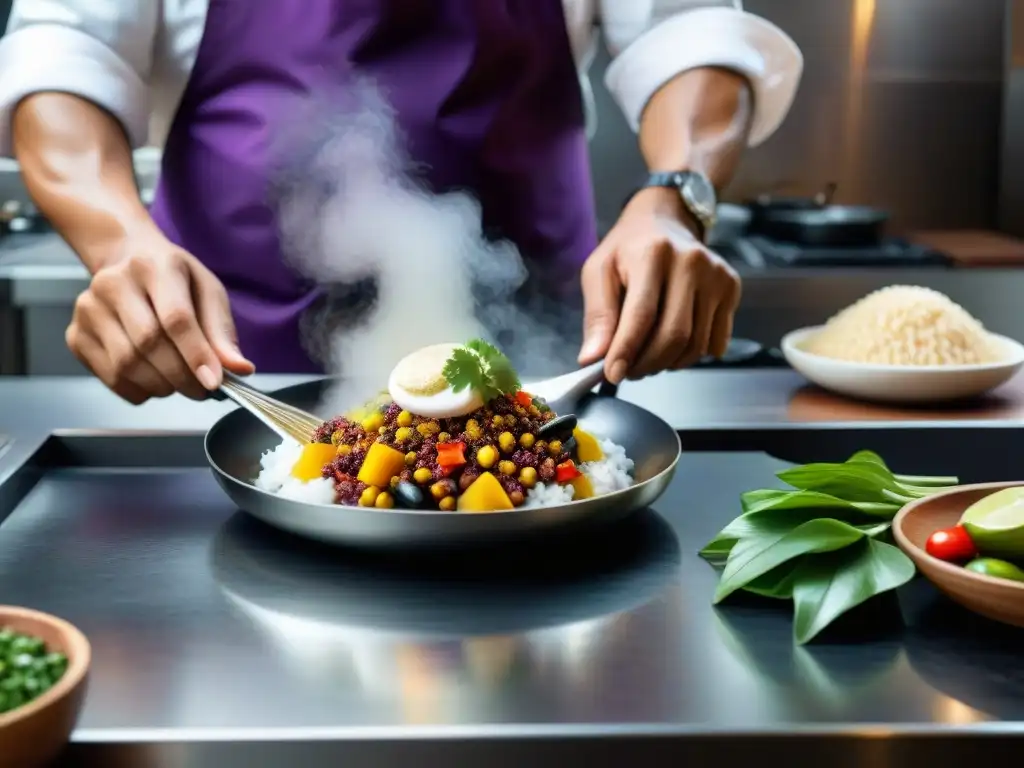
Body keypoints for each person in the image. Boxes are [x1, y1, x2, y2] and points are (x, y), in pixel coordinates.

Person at [0, 0, 801, 404]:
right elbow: (67, 50)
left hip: (540, 372)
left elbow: (687, 26)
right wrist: (118, 244)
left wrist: (672, 196)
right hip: (229, 379)